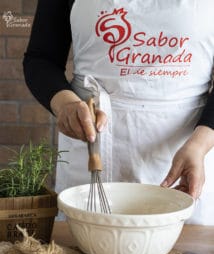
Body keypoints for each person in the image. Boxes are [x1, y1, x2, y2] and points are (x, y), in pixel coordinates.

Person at [23, 0, 214, 224]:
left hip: (188, 155)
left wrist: (199, 145)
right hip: (94, 147)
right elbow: (41, 59)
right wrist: (65, 104)